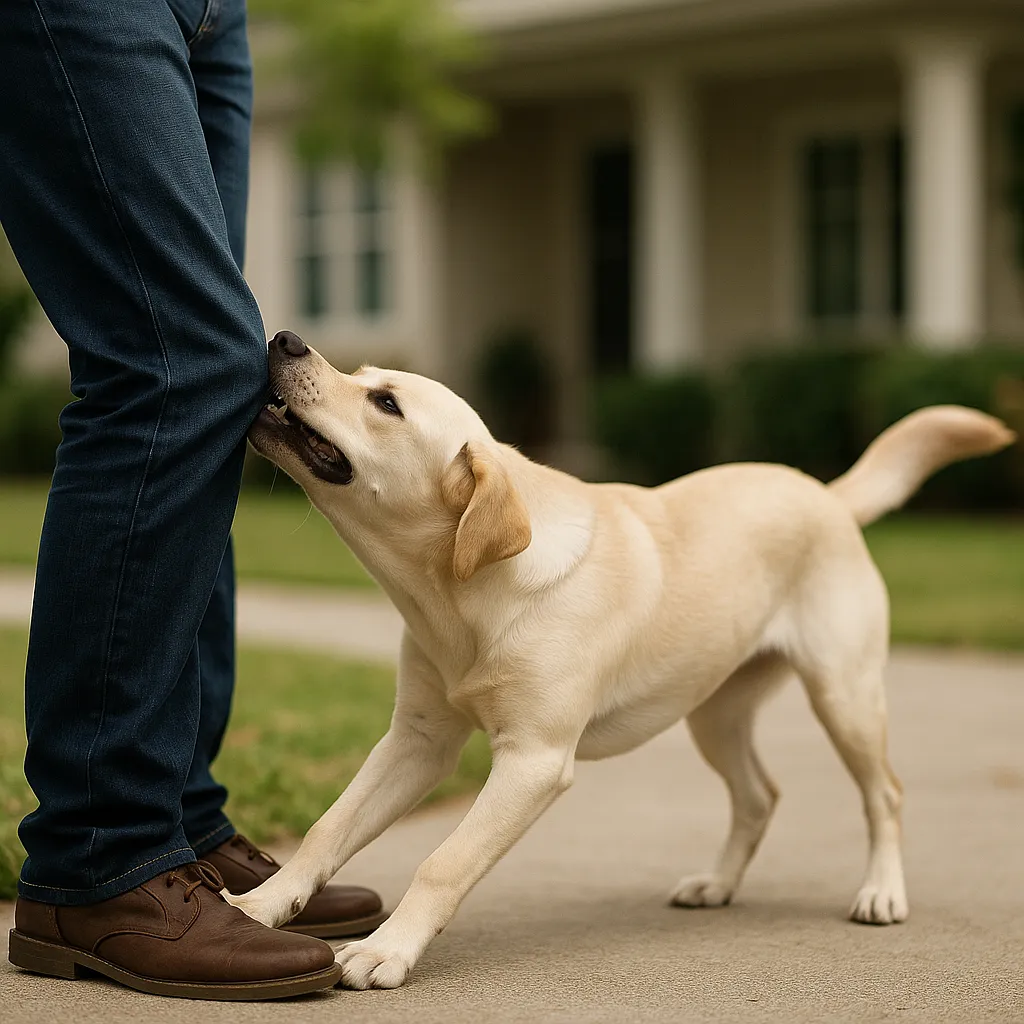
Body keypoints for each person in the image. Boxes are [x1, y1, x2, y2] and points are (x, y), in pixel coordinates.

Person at [1, 0, 383, 1000]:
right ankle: (102, 857)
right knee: (181, 364)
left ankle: (175, 818)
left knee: (207, 390)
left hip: (211, 13)